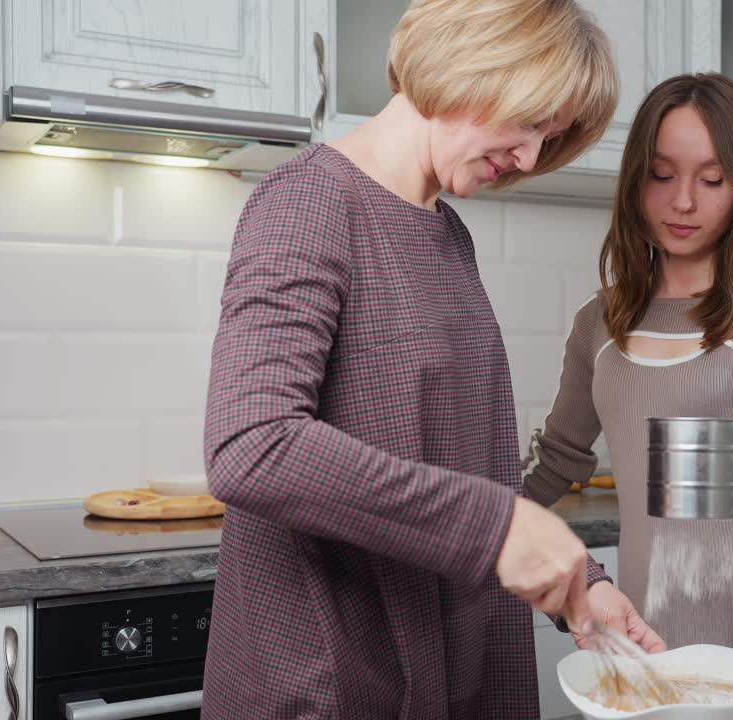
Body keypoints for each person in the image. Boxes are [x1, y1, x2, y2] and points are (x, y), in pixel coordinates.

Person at [200, 1, 661, 718]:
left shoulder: (447, 234)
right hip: (335, 681)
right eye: (534, 121)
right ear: (471, 63)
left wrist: (579, 586)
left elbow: (460, 464)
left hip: (447, 661)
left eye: (555, 135)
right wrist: (499, 528)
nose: (533, 158)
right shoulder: (308, 201)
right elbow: (250, 445)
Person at [522, 72, 733, 674]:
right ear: (635, 180)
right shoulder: (600, 322)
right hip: (654, 642)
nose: (684, 202)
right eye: (662, 175)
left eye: (713, 179)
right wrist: (480, 525)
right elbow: (560, 458)